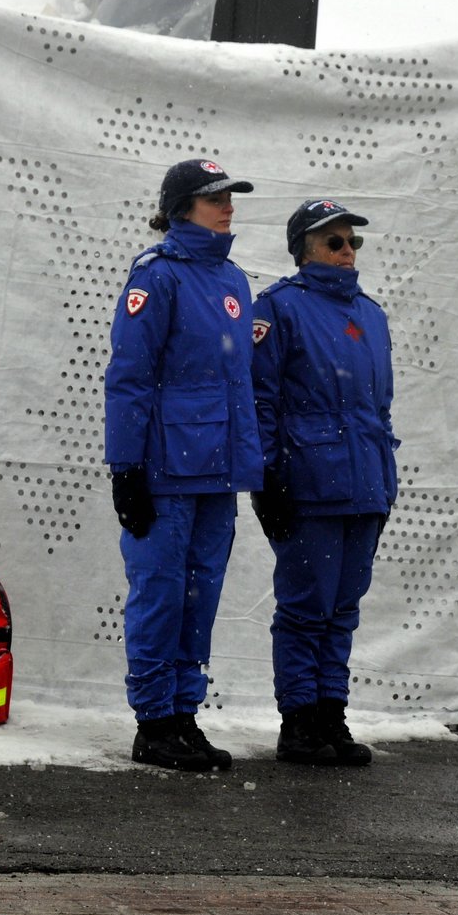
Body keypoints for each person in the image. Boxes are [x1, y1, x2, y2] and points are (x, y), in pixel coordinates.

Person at [103, 158, 263, 771]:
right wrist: (126, 466)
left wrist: (251, 463)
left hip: (217, 471)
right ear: (180, 208)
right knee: (161, 592)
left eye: (230, 196)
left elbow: (238, 384)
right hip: (166, 467)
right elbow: (129, 377)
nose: (227, 206)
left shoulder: (233, 281)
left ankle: (184, 716)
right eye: (213, 197)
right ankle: (153, 723)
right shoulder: (157, 276)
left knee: (202, 595)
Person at [250, 199, 398, 766]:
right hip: (307, 481)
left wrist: (384, 484)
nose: (347, 251)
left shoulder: (372, 314)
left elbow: (377, 411)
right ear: (304, 247)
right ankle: (299, 721)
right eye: (334, 242)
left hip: (365, 483)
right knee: (306, 607)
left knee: (343, 607)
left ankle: (331, 714)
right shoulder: (279, 310)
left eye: (353, 242)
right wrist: (268, 478)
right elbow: (260, 399)